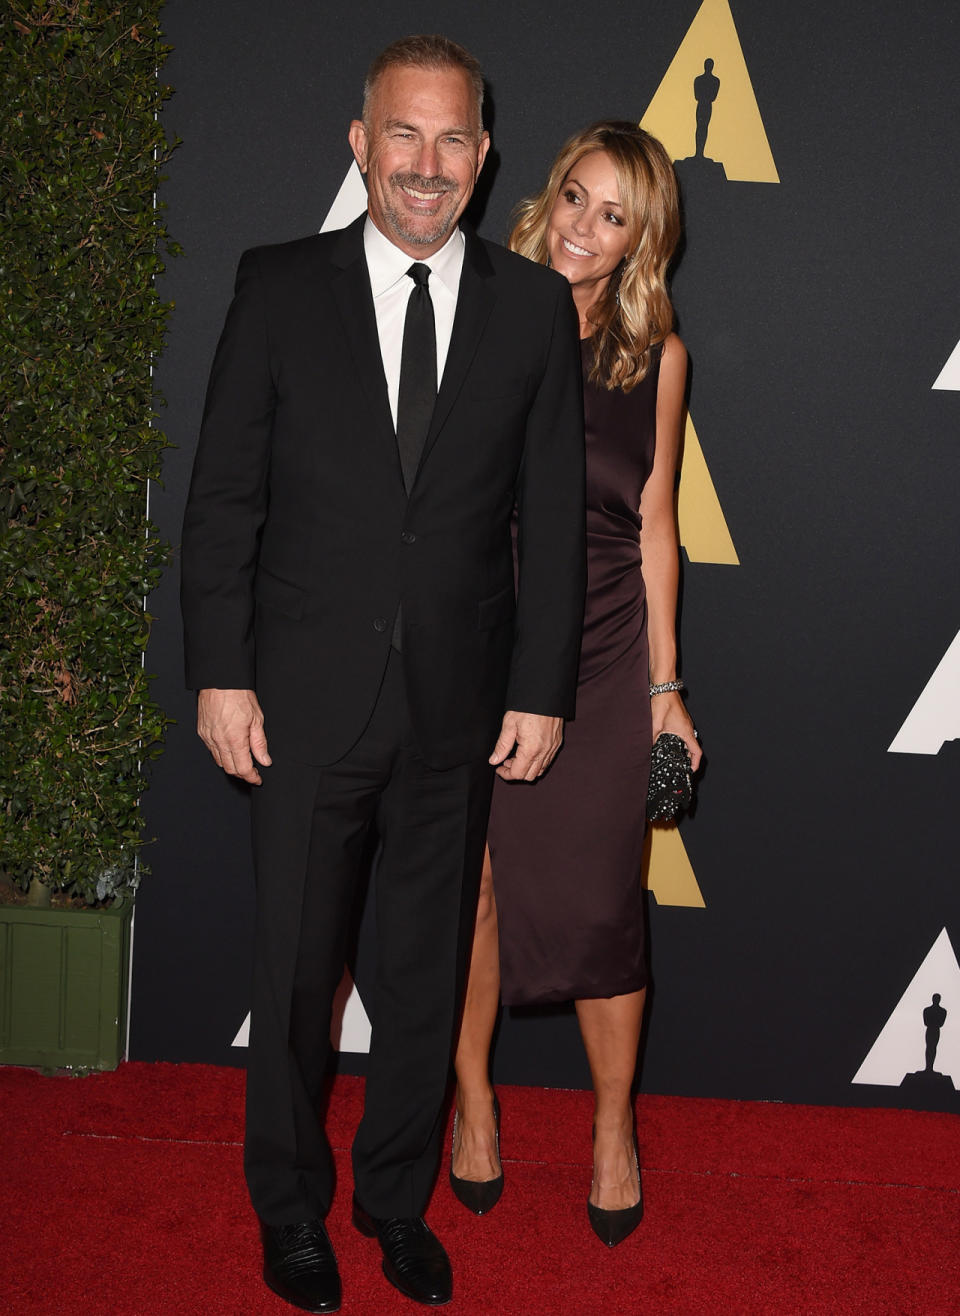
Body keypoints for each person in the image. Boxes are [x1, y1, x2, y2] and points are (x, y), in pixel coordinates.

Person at [180, 35, 585, 1313]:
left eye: (452, 138)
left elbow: (557, 516)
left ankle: (393, 1200)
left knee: (421, 975)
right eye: (401, 136)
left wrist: (543, 685)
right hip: (299, 698)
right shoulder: (278, 286)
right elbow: (224, 499)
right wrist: (219, 671)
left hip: (458, 705)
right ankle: (290, 1207)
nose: (425, 163)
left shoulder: (530, 308)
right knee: (297, 973)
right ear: (360, 145)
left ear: (484, 156)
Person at [449, 121, 702, 1248]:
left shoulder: (657, 355)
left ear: (643, 239)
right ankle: (473, 1103)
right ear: (549, 194)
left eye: (616, 216)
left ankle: (612, 1127)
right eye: (577, 200)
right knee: (474, 892)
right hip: (477, 633)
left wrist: (665, 688)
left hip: (602, 648)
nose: (585, 231)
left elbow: (657, 532)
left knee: (606, 904)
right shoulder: (474, 306)